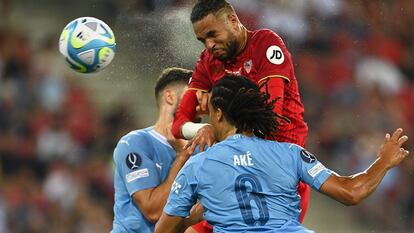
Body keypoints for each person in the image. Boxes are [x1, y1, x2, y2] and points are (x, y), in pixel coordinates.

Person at [155, 75, 410, 233]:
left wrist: (192, 219)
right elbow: (351, 192)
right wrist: (384, 162)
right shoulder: (290, 153)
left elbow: (164, 231)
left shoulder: (198, 165)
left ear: (218, 113)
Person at [172, 1, 310, 231]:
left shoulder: (266, 45)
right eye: (202, 40)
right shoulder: (208, 61)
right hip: (237, 172)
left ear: (233, 21)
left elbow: (269, 121)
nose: (209, 44)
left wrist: (218, 125)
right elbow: (178, 125)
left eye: (212, 34)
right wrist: (202, 129)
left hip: (279, 176)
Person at [111, 67, 197, 233]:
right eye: (193, 96)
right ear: (170, 97)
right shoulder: (134, 143)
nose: (199, 103)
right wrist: (181, 157)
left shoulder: (202, 147)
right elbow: (153, 211)